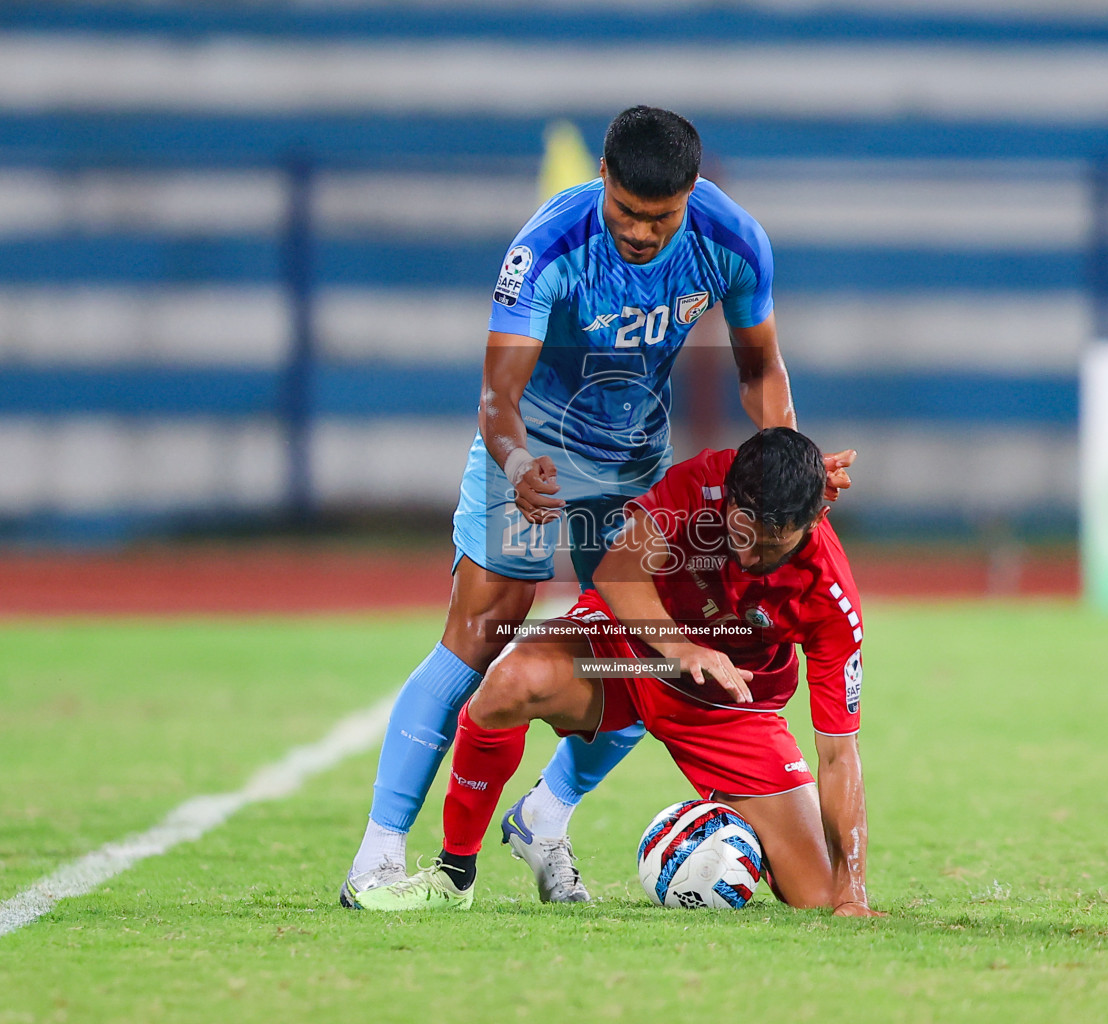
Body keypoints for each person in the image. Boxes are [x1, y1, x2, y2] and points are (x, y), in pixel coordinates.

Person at [341, 106, 854, 908]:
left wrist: (789, 462)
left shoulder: (734, 240)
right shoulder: (544, 249)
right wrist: (514, 463)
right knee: (479, 637)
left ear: (690, 194)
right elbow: (496, 396)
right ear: (603, 181)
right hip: (533, 455)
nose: (644, 233)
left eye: (662, 218)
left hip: (633, 467)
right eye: (627, 213)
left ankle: (546, 817)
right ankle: (377, 855)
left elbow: (761, 370)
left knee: (651, 647)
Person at [356, 428, 880, 917]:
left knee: (818, 896)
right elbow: (618, 569)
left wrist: (852, 891)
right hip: (621, 653)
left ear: (814, 519)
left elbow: (838, 754)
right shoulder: (703, 482)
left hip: (726, 707)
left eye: (772, 545)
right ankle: (454, 874)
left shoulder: (831, 599)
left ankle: (547, 813)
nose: (749, 555)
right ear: (731, 495)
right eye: (744, 532)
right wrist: (679, 648)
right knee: (509, 682)